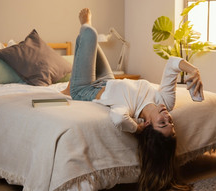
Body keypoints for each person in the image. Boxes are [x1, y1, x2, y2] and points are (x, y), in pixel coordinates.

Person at [62, 8, 204, 191]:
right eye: (171, 123)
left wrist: (136, 128)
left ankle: (72, 86)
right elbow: (171, 64)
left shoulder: (129, 111)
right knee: (88, 41)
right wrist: (194, 70)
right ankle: (70, 82)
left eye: (163, 123)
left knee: (88, 33)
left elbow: (118, 118)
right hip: (108, 80)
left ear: (148, 125)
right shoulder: (166, 101)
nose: (167, 116)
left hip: (85, 90)